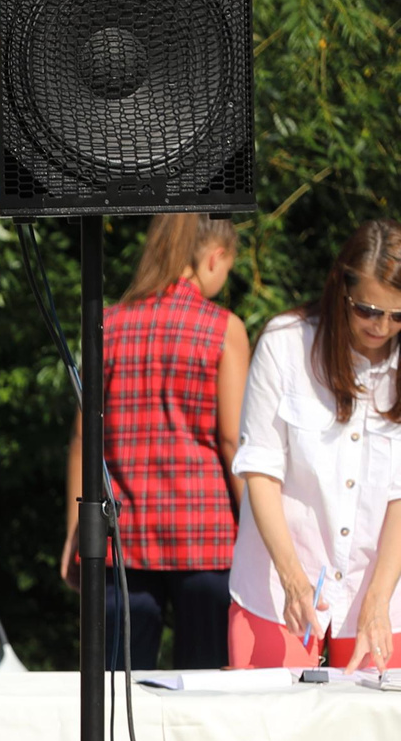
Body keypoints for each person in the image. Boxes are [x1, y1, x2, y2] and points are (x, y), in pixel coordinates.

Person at [59, 214, 250, 670]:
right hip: (206, 540)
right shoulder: (223, 329)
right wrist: (259, 536)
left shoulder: (108, 323)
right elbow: (232, 440)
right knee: (206, 689)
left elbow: (84, 437)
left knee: (115, 690)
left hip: (123, 540)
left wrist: (75, 532)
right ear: (215, 257)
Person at [225, 219, 401, 668]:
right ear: (341, 291)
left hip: (380, 594)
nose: (382, 327)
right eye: (368, 310)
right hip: (275, 585)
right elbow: (260, 471)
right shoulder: (284, 343)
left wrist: (378, 599)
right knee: (269, 711)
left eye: (398, 316)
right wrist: (293, 579)